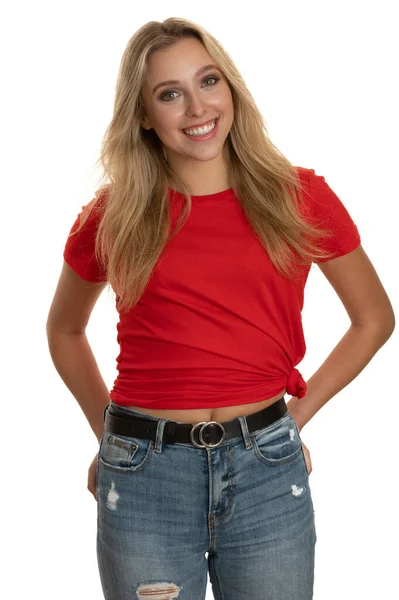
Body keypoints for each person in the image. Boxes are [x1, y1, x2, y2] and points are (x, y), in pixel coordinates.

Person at [46, 17, 395, 600]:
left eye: (208, 81)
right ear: (143, 115)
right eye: (169, 94)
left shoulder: (299, 197)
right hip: (143, 475)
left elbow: (374, 319)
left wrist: (291, 421)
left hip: (267, 470)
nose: (196, 108)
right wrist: (111, 438)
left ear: (231, 88)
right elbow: (64, 330)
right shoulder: (114, 215)